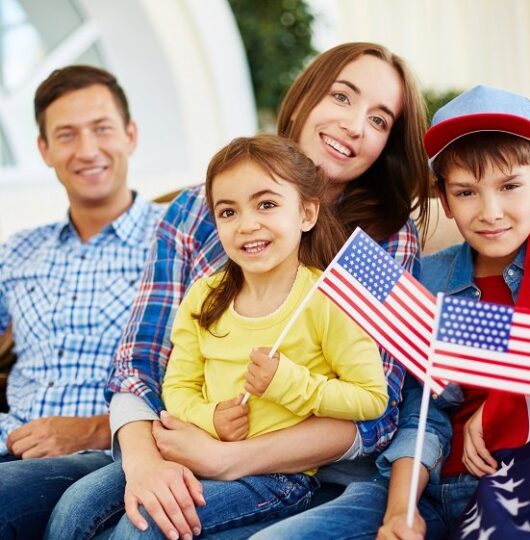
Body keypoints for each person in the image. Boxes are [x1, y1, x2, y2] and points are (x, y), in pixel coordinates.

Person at [45, 42, 431, 540]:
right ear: (304, 97)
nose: (355, 125)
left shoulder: (380, 243)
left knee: (139, 531)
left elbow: (374, 410)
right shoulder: (195, 213)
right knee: (74, 512)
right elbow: (142, 360)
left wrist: (227, 457)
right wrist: (148, 460)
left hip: (291, 467)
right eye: (341, 97)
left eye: (380, 121)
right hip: (177, 438)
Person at [249, 84, 530, 540]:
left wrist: (509, 401)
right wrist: (401, 512)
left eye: (511, 186)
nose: (491, 211)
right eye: (466, 192)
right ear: (444, 197)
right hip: (428, 484)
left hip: (510, 490)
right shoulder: (427, 280)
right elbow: (422, 414)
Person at [113, 134, 389, 538]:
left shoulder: (327, 300)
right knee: (78, 507)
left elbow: (371, 398)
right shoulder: (204, 296)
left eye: (267, 204)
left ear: (307, 213)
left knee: (147, 526)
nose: (247, 225)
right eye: (228, 212)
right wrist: (210, 417)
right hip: (194, 452)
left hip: (276, 477)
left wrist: (289, 384)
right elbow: (177, 386)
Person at [0, 65, 163, 539]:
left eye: (102, 129)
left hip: (104, 452)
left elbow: (209, 366)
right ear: (44, 150)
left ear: (130, 135)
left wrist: (95, 428)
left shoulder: (174, 239)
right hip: (12, 437)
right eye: (67, 135)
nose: (88, 150)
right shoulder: (19, 251)